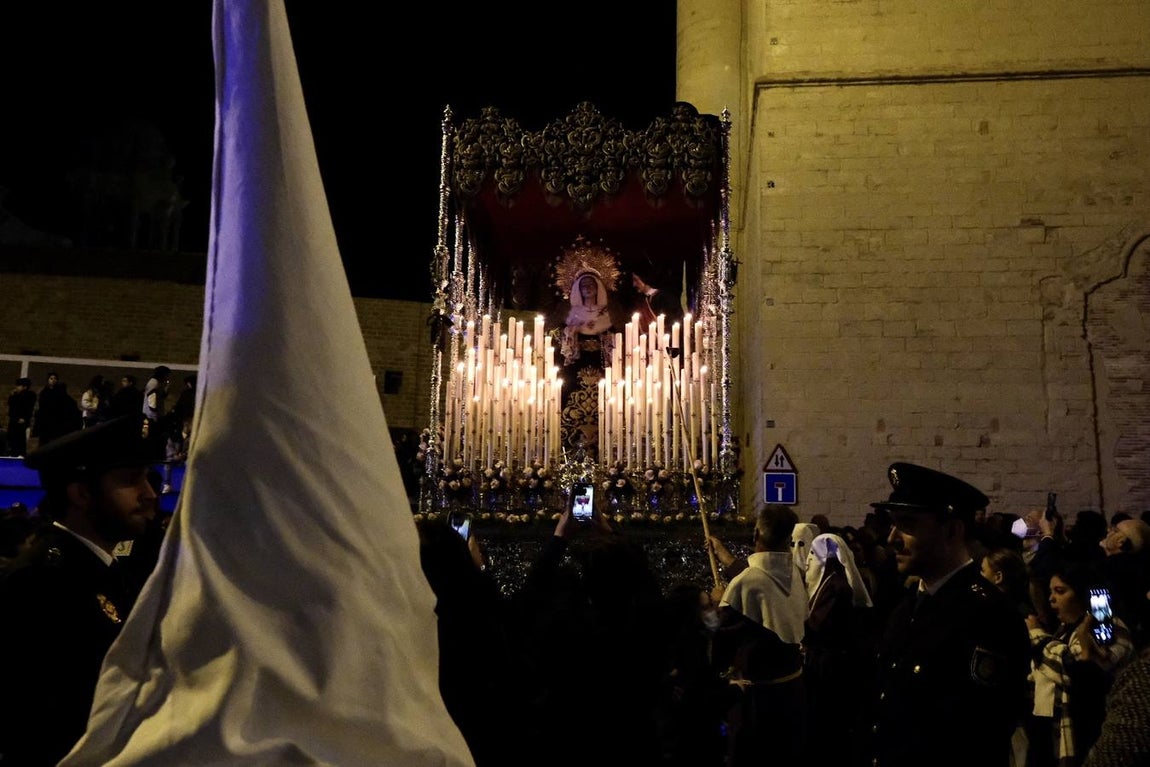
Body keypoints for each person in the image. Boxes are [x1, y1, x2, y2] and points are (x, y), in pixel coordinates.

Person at [0, 415, 163, 765]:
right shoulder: (41, 581)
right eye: (131, 480)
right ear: (83, 493)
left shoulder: (106, 570)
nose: (149, 494)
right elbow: (40, 720)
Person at [867, 462, 1031, 767]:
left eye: (907, 525)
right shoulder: (906, 606)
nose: (891, 538)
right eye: (893, 524)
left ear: (953, 530)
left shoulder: (989, 616)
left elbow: (980, 732)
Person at [709, 504, 809, 767]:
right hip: (794, 693)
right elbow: (763, 582)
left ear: (756, 535)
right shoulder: (795, 574)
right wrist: (724, 556)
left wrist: (719, 604)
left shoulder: (745, 584)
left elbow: (721, 647)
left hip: (759, 704)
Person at [1025, 561, 1135, 767]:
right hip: (1051, 731)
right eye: (1050, 591)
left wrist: (1037, 635)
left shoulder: (1110, 627)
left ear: (1083, 594)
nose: (1051, 598)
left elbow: (1074, 670)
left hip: (1090, 733)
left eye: (1060, 591)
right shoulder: (1063, 631)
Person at [801, 532, 874, 763]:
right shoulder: (826, 583)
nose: (808, 560)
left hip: (830, 665)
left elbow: (819, 625)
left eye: (813, 554)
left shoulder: (836, 587)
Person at [30, 371, 82, 446]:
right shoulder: (44, 392)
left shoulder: (60, 392)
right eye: (51, 378)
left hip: (57, 421)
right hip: (46, 421)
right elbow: (42, 407)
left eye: (55, 378)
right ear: (48, 380)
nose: (53, 380)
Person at [5, 376, 36, 457]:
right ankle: (12, 453)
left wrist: (24, 418)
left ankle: (20, 453)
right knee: (12, 438)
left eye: (19, 385)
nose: (16, 387)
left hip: (22, 421)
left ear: (24, 387)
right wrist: (12, 395)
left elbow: (28, 408)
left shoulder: (30, 395)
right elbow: (11, 406)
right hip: (14, 420)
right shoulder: (15, 395)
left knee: (21, 439)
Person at [141, 364, 171, 439]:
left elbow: (161, 396)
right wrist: (154, 411)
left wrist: (166, 388)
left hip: (153, 413)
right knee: (152, 433)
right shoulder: (154, 383)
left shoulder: (158, 383)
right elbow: (152, 397)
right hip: (151, 415)